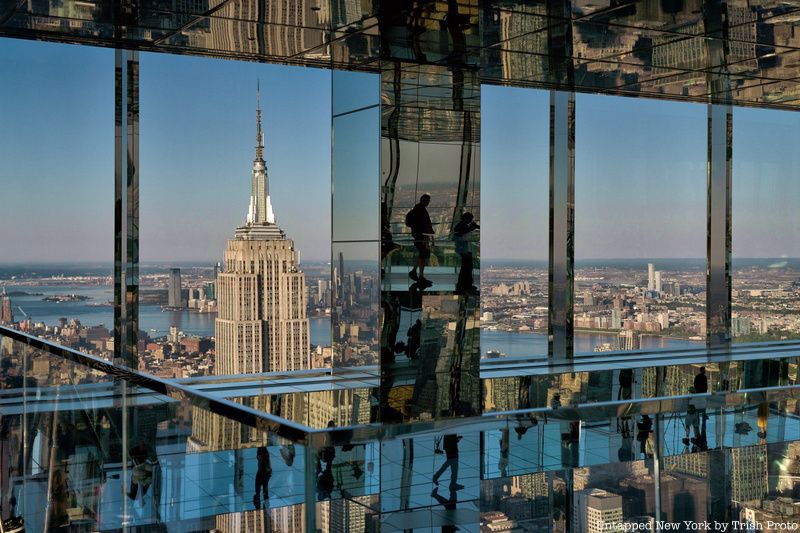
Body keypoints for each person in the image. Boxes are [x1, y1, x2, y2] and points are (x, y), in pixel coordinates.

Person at [405, 194, 435, 287]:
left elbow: (409, 223)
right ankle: (419, 275)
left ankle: (415, 272)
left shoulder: (415, 210)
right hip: (422, 236)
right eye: (428, 201)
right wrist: (430, 232)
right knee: (423, 255)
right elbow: (426, 224)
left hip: (418, 235)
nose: (428, 203)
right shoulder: (421, 211)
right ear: (423, 200)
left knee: (422, 255)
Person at [453, 212, 479, 292]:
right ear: (467, 219)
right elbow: (462, 232)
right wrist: (472, 228)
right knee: (467, 267)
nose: (471, 221)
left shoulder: (462, 224)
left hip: (464, 248)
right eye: (470, 219)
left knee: (466, 267)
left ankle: (464, 284)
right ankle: (466, 284)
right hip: (464, 249)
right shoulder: (462, 225)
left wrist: (472, 227)